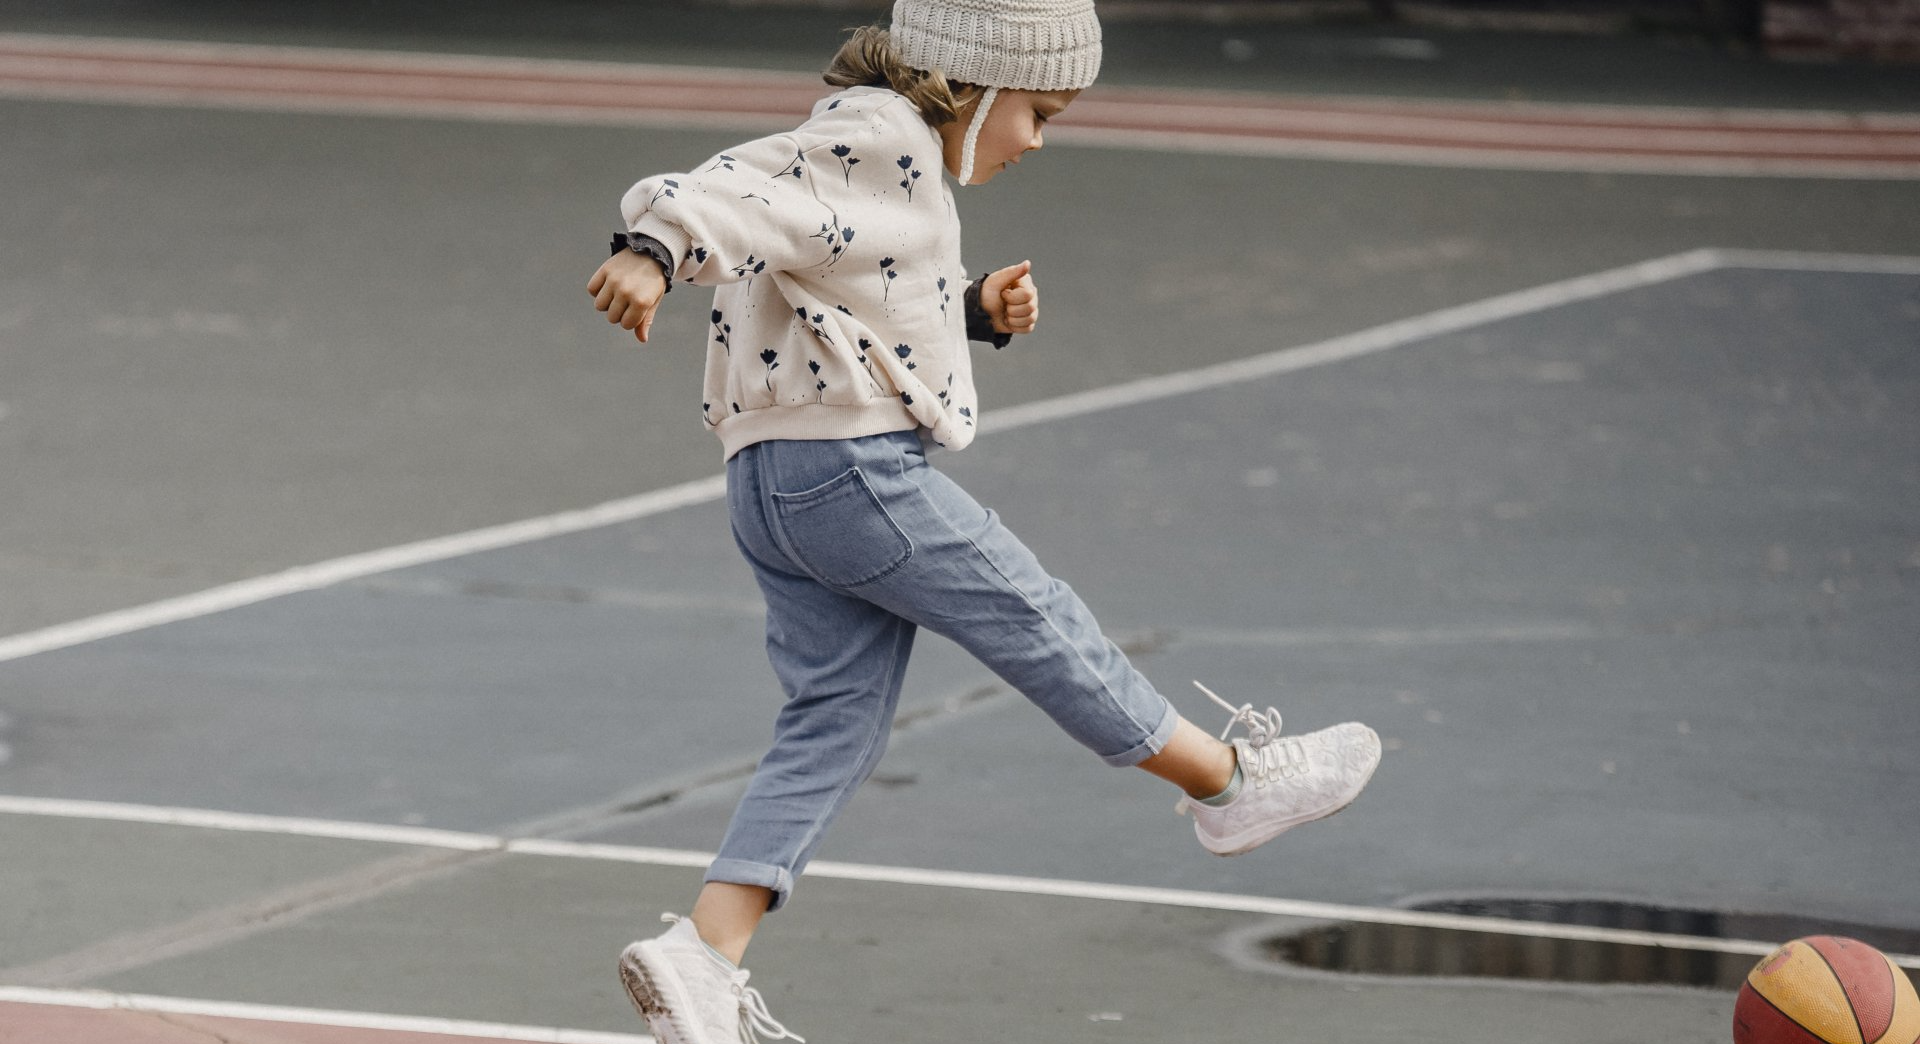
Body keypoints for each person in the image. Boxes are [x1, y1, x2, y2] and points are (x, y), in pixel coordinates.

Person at [586, 2, 1382, 1040]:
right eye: (1039, 112)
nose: (1039, 140)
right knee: (1033, 615)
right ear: (977, 87)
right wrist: (650, 247)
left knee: (833, 719)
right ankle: (1229, 785)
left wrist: (966, 313)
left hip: (771, 484)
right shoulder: (879, 131)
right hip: (850, 473)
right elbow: (734, 188)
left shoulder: (882, 160)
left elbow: (838, 278)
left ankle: (703, 953)